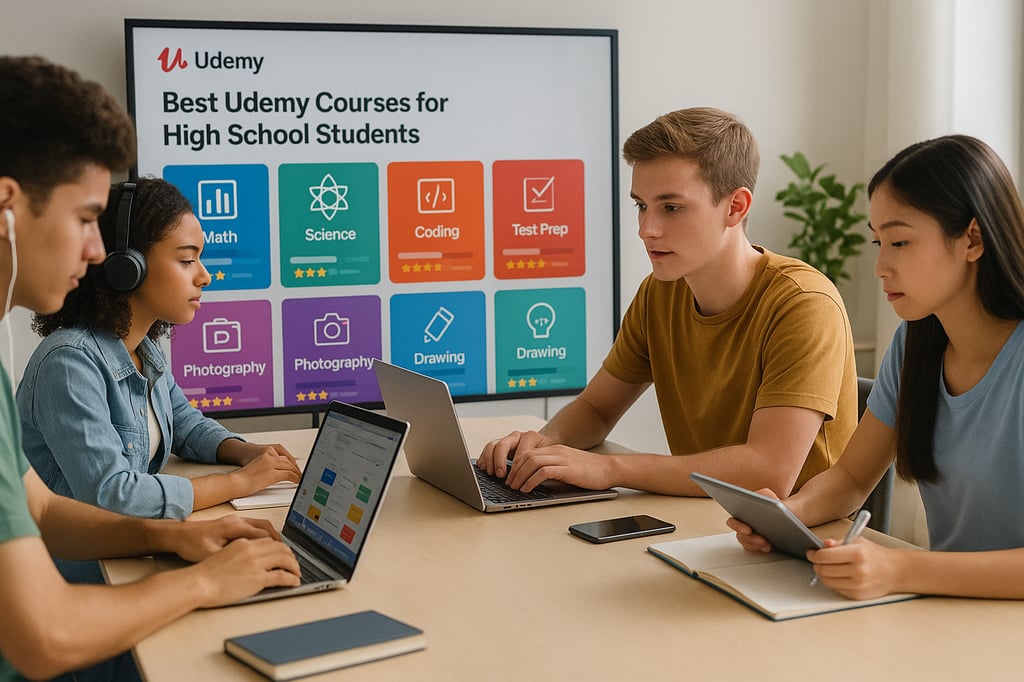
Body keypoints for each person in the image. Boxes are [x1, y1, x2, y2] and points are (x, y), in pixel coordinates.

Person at [0, 55, 300, 681]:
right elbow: (45, 638)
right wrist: (204, 582)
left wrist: (173, 537)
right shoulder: (68, 361)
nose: (96, 251)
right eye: (85, 219)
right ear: (7, 206)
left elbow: (45, 512)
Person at [478, 107, 858, 497]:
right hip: (704, 522)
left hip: (802, 541)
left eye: (671, 208)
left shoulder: (804, 305)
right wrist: (541, 446)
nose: (646, 230)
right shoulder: (660, 293)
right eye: (641, 205)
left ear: (735, 207)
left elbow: (769, 471)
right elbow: (597, 409)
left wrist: (610, 469)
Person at [729, 134, 1024, 600]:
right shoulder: (915, 344)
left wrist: (900, 569)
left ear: (972, 239)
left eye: (901, 241)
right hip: (950, 613)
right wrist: (789, 514)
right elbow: (849, 480)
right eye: (878, 242)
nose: (881, 266)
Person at [17, 176, 302, 583]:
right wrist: (238, 483)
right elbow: (114, 496)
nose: (204, 276)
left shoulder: (142, 348)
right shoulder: (70, 364)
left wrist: (247, 452)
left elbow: (186, 424)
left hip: (133, 557)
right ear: (126, 269)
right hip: (81, 577)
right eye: (187, 261)